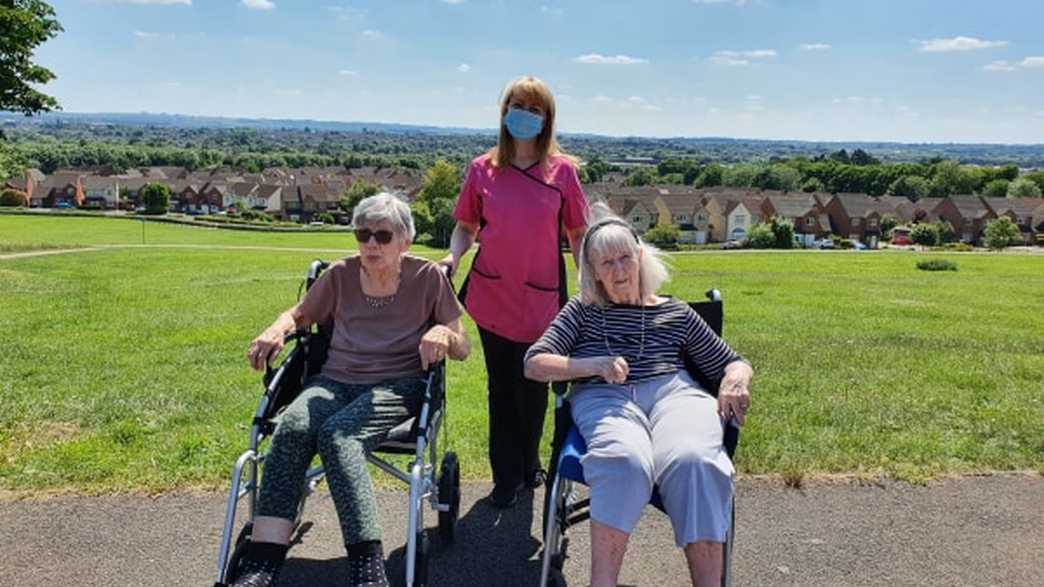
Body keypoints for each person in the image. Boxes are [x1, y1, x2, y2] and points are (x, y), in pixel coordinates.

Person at [235, 193, 470, 587]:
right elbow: (299, 314)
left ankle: (368, 567)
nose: (371, 244)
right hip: (335, 380)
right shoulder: (341, 275)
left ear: (405, 240)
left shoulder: (428, 277)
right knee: (292, 427)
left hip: (399, 385)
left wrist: (443, 332)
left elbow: (462, 347)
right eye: (364, 234)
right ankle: (263, 561)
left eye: (382, 235)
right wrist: (277, 329)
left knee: (339, 436)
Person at [523, 204, 754, 587]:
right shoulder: (582, 312)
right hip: (605, 396)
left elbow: (733, 362)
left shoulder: (676, 313)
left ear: (640, 258)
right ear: (592, 271)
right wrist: (594, 365)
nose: (618, 270)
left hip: (674, 394)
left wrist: (735, 380)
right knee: (624, 460)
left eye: (625, 258)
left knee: (695, 460)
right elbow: (534, 363)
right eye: (606, 262)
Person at [443, 76, 589, 508]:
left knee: (536, 387)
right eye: (517, 104)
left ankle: (530, 463)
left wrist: (587, 280)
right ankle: (505, 477)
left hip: (543, 300)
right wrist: (453, 259)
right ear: (504, 111)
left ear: (546, 119)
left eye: (534, 107)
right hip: (492, 297)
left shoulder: (563, 172)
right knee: (501, 388)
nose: (524, 113)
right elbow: (465, 227)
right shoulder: (481, 169)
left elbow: (579, 233)